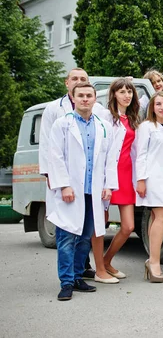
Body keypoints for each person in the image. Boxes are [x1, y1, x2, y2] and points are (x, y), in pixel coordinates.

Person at [47, 83, 118, 301]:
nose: (85, 99)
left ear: (95, 99)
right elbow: (55, 156)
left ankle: (78, 277)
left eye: (89, 95)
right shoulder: (62, 124)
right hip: (71, 192)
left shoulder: (103, 126)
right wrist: (64, 185)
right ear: (73, 98)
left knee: (86, 237)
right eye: (81, 96)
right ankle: (66, 282)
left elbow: (109, 159)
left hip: (93, 192)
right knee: (67, 238)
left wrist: (108, 185)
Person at [39, 68, 104, 280]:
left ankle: (80, 272)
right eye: (75, 79)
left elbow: (106, 153)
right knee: (67, 231)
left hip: (89, 185)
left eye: (83, 80)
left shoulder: (99, 117)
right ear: (68, 83)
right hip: (65, 182)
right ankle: (67, 280)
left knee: (85, 233)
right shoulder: (54, 111)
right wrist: (53, 177)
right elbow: (49, 148)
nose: (79, 82)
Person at [96, 78, 140, 284]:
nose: (126, 95)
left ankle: (106, 261)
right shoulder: (104, 115)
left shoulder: (132, 119)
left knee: (128, 226)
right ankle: (97, 268)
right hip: (106, 175)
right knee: (100, 224)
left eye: (129, 91)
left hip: (126, 176)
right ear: (113, 94)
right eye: (122, 91)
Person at [136, 92, 163, 283]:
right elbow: (141, 154)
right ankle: (154, 262)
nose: (162, 107)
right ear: (152, 107)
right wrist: (141, 179)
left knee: (157, 217)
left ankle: (152, 262)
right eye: (158, 104)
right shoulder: (147, 127)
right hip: (152, 179)